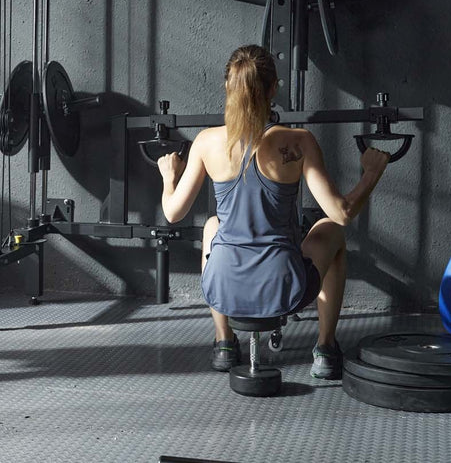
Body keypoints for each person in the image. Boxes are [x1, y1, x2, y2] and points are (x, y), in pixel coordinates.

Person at [156, 44, 389, 379]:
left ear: (227, 88)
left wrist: (169, 177)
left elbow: (173, 213)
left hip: (223, 288)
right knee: (331, 230)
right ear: (273, 89)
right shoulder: (298, 142)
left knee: (211, 226)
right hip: (285, 288)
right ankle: (325, 348)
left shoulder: (206, 142)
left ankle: (224, 342)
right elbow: (342, 213)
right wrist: (371, 173)